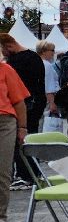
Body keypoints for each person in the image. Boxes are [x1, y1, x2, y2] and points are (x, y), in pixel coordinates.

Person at [0, 33, 44, 188]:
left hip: (21, 106)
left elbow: (17, 94)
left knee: (20, 142)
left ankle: (25, 175)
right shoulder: (34, 57)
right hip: (35, 104)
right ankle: (34, 173)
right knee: (30, 139)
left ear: (8, 46)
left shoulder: (12, 64)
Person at [0, 50, 30, 222]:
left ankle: (0, 216)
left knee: (2, 170)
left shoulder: (5, 70)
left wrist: (22, 128)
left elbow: (19, 102)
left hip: (4, 121)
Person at [37, 41, 60, 123]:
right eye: (52, 50)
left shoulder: (37, 63)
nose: (54, 53)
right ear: (44, 51)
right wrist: (52, 103)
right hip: (47, 100)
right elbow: (49, 86)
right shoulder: (47, 65)